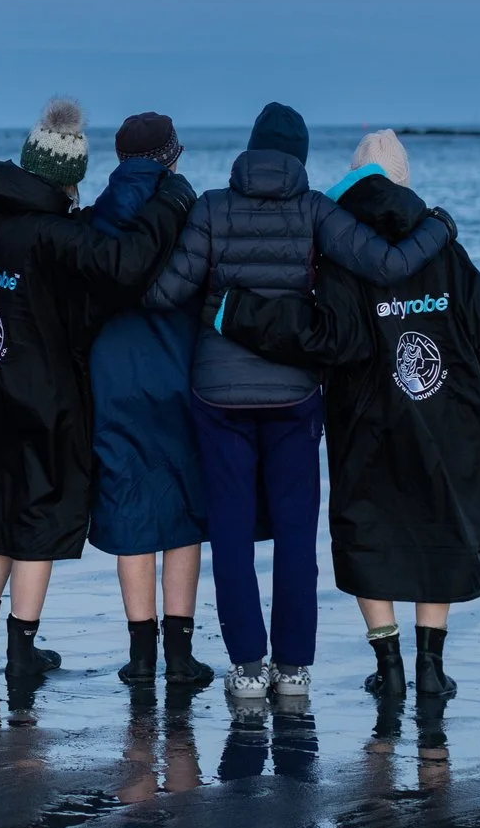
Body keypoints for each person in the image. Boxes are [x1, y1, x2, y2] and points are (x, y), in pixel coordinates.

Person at [144, 102, 455, 705]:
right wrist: (438, 228)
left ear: (252, 149)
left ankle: (247, 670)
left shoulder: (210, 206)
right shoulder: (316, 210)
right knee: (294, 534)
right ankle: (293, 671)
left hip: (218, 394)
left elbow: (164, 293)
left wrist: (212, 300)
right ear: (300, 159)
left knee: (230, 534)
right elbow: (387, 266)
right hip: (293, 393)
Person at [213, 131, 480, 700]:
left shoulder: (343, 245)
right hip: (447, 415)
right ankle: (431, 666)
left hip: (367, 417)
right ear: (403, 182)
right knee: (440, 524)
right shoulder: (445, 246)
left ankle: (389, 663)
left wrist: (237, 310)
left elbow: (329, 336)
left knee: (369, 528)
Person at [0, 99, 194, 680]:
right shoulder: (56, 234)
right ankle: (21, 649)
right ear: (70, 179)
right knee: (36, 520)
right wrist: (170, 206)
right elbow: (124, 266)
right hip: (39, 400)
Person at [83, 112, 218, 689]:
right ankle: (181, 656)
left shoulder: (94, 218)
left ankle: (141, 654)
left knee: (129, 508)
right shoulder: (186, 212)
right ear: (170, 156)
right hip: (177, 372)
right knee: (181, 510)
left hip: (112, 378)